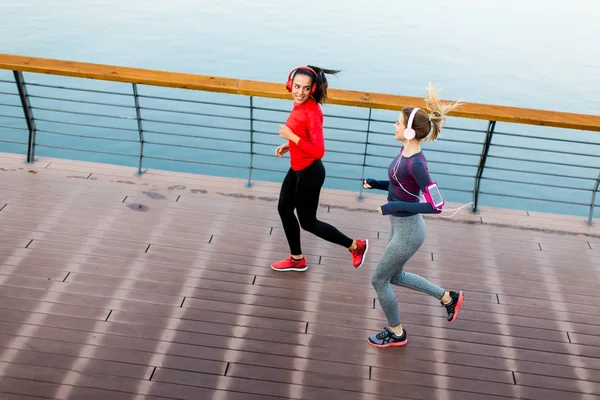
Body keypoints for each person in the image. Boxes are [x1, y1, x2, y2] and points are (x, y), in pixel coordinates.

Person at [362, 84, 464, 348]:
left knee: (379, 279)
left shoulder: (417, 162)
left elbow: (436, 205)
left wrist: (394, 208)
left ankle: (397, 333)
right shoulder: (405, 152)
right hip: (399, 225)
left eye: (397, 123)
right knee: (394, 276)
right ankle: (447, 298)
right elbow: (400, 185)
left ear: (408, 130)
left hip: (409, 230)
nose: (394, 126)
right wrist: (377, 184)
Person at [271, 65, 368, 272]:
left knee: (308, 222)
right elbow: (303, 136)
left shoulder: (312, 112)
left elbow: (319, 150)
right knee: (284, 208)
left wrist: (292, 137)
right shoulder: (299, 104)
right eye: (297, 86)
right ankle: (297, 258)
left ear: (313, 89)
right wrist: (290, 145)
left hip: (310, 172)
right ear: (290, 84)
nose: (299, 92)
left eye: (306, 89)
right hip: (298, 167)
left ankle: (355, 246)